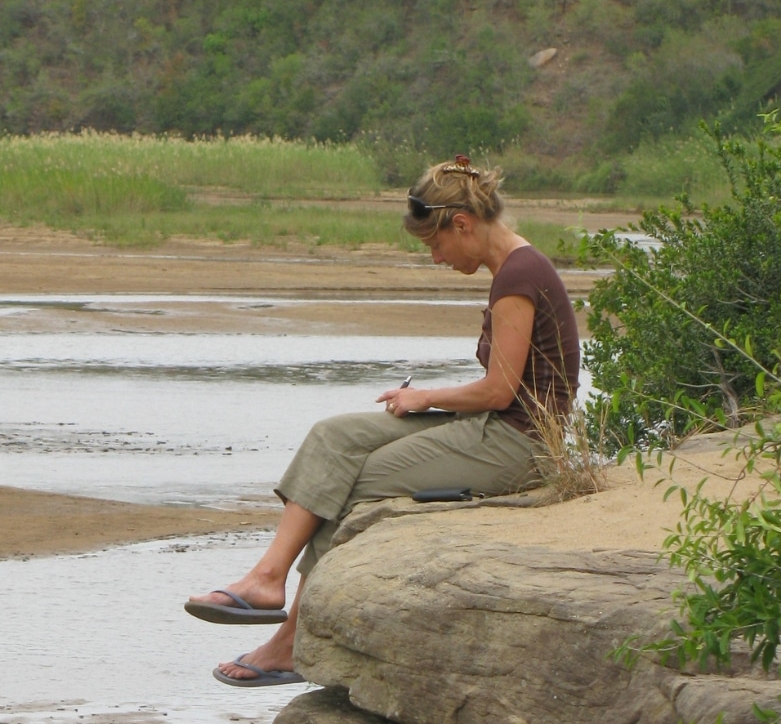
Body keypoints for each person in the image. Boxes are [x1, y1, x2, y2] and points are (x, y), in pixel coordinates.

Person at [184, 154, 581, 688]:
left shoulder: (518, 276)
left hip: (517, 443)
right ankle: (267, 577)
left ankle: (288, 645)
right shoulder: (512, 268)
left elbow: (498, 390)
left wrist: (427, 399)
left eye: (434, 245)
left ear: (461, 224)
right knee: (334, 437)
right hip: (493, 427)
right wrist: (430, 400)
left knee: (353, 484)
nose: (436, 258)